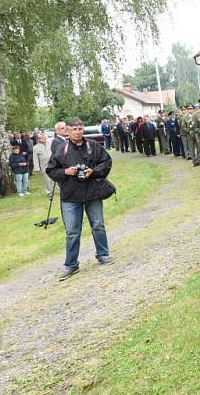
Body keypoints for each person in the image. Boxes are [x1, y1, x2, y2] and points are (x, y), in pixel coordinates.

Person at [46, 117, 114, 281]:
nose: (77, 132)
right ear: (67, 131)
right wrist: (65, 172)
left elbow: (106, 162)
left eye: (80, 129)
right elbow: (50, 170)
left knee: (98, 225)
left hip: (92, 193)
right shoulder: (61, 149)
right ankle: (71, 264)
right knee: (72, 232)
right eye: (74, 129)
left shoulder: (93, 146)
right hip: (70, 196)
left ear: (83, 130)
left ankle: (103, 254)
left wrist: (94, 171)